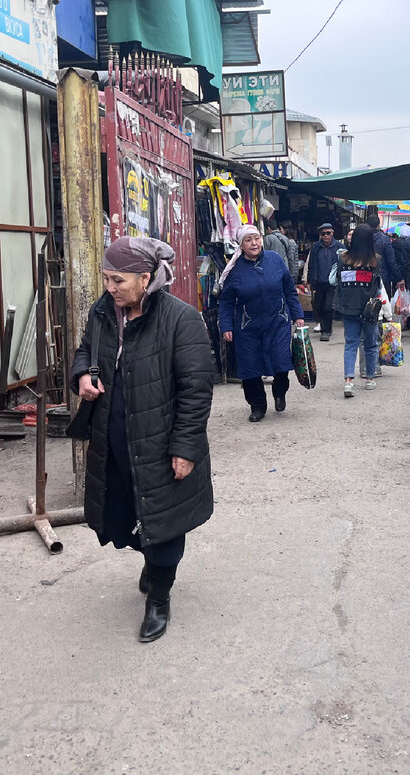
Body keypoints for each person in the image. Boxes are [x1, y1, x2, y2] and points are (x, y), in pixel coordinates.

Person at [71, 236, 215, 644]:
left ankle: (159, 598)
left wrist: (184, 448)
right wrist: (82, 375)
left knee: (164, 521)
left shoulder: (181, 319)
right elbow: (86, 350)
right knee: (125, 509)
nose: (110, 288)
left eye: (118, 280)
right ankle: (151, 563)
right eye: (106, 279)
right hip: (114, 436)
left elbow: (196, 390)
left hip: (161, 441)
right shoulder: (103, 311)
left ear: (146, 279)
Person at [217, 225, 304, 422]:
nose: (254, 243)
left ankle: (279, 392)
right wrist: (226, 326)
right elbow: (226, 301)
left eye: (256, 238)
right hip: (248, 326)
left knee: (281, 362)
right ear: (241, 245)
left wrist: (298, 315)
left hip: (278, 321)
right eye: (248, 240)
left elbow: (289, 291)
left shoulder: (275, 259)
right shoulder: (235, 270)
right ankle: (257, 406)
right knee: (250, 367)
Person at [333, 224, 382, 398]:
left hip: (348, 307)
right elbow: (378, 286)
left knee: (351, 343)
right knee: (370, 344)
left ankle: (348, 381)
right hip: (369, 309)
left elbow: (338, 280)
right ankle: (370, 378)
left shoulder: (343, 258)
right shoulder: (375, 260)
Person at [305, 222, 342, 342]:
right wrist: (310, 280)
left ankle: (326, 331)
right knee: (318, 306)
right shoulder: (316, 247)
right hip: (319, 282)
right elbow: (311, 264)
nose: (326, 236)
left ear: (332, 233)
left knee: (328, 307)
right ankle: (324, 326)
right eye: (323, 234)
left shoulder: (339, 247)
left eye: (328, 233)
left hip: (333, 283)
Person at [363, 206, 404, 295]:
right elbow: (391, 262)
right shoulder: (385, 240)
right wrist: (399, 278)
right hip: (383, 278)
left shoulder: (362, 239)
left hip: (364, 277)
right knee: (383, 302)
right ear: (378, 226)